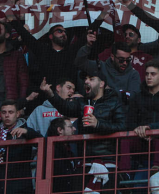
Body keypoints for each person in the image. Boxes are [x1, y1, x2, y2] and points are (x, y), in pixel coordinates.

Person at [39, 62, 126, 192]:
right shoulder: (81, 102)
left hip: (108, 161)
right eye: (85, 79)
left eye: (91, 79)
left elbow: (122, 126)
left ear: (101, 83)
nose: (86, 82)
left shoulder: (114, 102)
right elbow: (66, 109)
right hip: (84, 162)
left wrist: (98, 124)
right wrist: (50, 94)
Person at [0, 100, 41, 194]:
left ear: (17, 114)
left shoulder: (25, 131)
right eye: (4, 112)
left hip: (20, 185)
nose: (7, 115)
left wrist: (27, 132)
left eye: (10, 112)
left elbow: (42, 141)